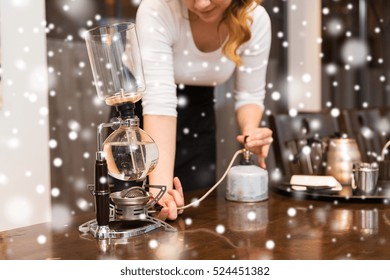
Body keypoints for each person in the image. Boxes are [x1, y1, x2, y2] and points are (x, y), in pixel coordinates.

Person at [135, 0, 273, 220]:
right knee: (138, 220)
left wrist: (250, 132)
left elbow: (249, 95)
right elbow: (159, 104)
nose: (201, 4)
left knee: (196, 219)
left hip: (198, 115)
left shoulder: (255, 19)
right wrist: (160, 194)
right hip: (142, 118)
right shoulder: (157, 8)